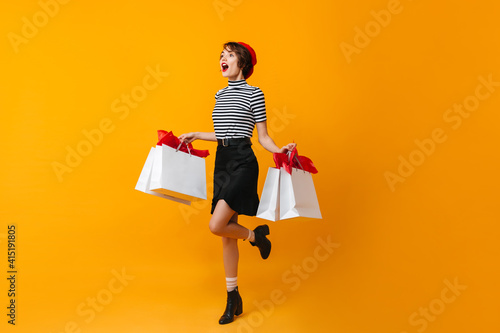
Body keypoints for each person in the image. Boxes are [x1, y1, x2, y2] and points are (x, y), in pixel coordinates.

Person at [179, 41, 296, 325]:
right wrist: (196, 133)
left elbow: (262, 136)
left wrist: (279, 150)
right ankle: (233, 297)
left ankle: (256, 238)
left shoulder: (255, 93)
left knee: (216, 225)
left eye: (229, 55)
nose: (223, 58)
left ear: (242, 63)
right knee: (227, 235)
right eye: (221, 55)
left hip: (244, 161)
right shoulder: (219, 95)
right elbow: (223, 132)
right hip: (222, 161)